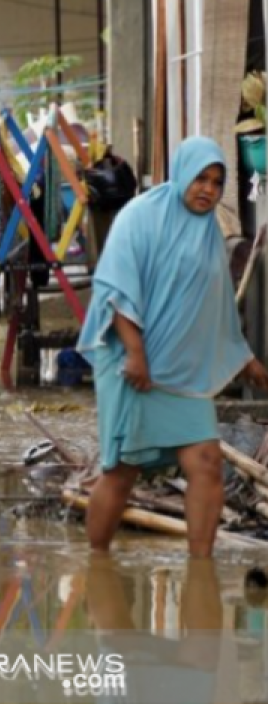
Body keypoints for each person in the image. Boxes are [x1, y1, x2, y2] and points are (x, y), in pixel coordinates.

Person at [78, 136, 268, 559]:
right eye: (200, 178)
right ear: (181, 173)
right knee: (121, 472)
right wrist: (135, 351)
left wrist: (244, 359)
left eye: (217, 183)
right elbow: (115, 286)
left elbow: (214, 305)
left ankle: (200, 567)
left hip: (179, 373)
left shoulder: (207, 232)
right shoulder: (140, 217)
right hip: (132, 364)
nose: (208, 189)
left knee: (205, 462)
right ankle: (97, 565)